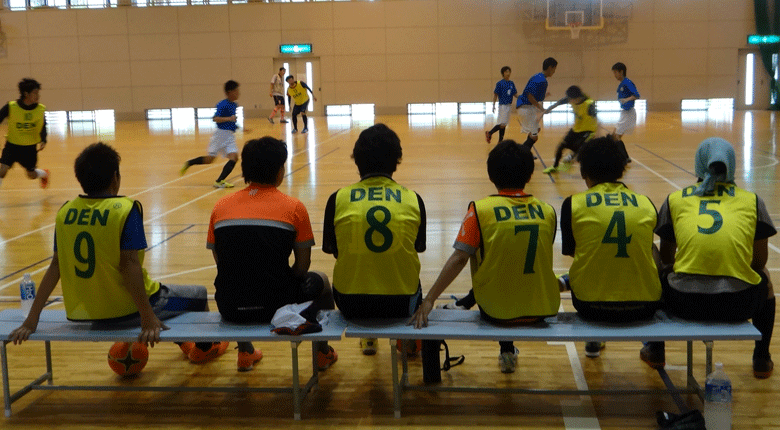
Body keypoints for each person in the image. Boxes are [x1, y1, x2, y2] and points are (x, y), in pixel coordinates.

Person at [8, 142, 227, 368]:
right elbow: (129, 267)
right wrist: (147, 317)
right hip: (127, 311)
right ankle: (205, 349)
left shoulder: (65, 212)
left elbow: (56, 266)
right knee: (198, 295)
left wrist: (31, 319)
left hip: (88, 311)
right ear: (115, 177)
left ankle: (183, 342)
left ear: (80, 179)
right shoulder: (125, 209)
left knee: (171, 298)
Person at [410, 140, 560, 374]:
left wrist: (429, 299)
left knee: (491, 266)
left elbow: (459, 259)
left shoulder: (480, 210)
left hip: (496, 311)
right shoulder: (548, 211)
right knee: (510, 265)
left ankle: (467, 307)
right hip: (541, 308)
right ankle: (507, 350)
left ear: (491, 176)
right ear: (530, 175)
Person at [642, 137, 776, 378]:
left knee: (656, 266)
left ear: (699, 164)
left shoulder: (675, 199)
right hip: (737, 304)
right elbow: (759, 262)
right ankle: (762, 358)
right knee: (765, 277)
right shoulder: (753, 201)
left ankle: (656, 349)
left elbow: (667, 259)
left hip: (683, 303)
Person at [208, 136, 337, 372]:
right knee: (322, 281)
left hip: (229, 306)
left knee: (237, 277)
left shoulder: (220, 207)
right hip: (276, 306)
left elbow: (220, 260)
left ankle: (245, 353)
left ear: (245, 170)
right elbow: (302, 267)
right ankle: (322, 353)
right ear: (279, 171)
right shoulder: (294, 207)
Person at [322, 124, 426, 356]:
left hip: (351, 304)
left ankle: (368, 338)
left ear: (357, 160)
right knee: (410, 273)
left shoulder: (337, 199)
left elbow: (335, 250)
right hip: (400, 305)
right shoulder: (413, 199)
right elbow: (417, 248)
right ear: (396, 161)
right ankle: (407, 341)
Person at [558, 137, 662, 358]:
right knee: (652, 255)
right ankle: (656, 348)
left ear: (583, 172)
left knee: (591, 259)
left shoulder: (573, 204)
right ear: (621, 170)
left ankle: (593, 337)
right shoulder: (645, 203)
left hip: (590, 306)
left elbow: (576, 253)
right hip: (644, 306)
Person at [180, 80, 246, 188]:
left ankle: (219, 181)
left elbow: (232, 122)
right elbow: (215, 118)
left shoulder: (234, 105)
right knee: (209, 160)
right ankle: (189, 163)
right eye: (236, 91)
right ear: (230, 92)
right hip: (220, 135)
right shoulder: (222, 104)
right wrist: (229, 118)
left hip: (229, 136)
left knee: (234, 157)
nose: (238, 93)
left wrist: (240, 128)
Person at [0, 78, 50, 189]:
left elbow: (43, 125)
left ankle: (44, 174)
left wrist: (43, 139)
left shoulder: (40, 109)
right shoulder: (11, 106)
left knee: (31, 175)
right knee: (2, 171)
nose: (38, 96)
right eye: (35, 93)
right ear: (26, 94)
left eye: (38, 93)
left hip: (29, 148)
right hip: (12, 145)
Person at [542, 85, 599, 174]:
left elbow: (596, 119)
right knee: (561, 146)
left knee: (579, 148)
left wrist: (596, 133)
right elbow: (559, 102)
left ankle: (575, 160)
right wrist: (549, 109)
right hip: (576, 129)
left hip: (588, 130)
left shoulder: (589, 104)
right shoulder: (570, 99)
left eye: (570, 98)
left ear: (577, 97)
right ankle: (555, 166)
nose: (569, 100)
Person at [515, 57, 557, 151]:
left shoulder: (538, 76)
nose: (554, 71)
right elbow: (530, 96)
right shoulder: (541, 80)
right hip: (525, 108)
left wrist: (545, 96)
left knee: (536, 130)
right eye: (554, 68)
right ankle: (521, 153)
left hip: (526, 107)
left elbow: (534, 96)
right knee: (534, 136)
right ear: (550, 67)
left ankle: (525, 151)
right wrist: (542, 109)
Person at [611, 62, 639, 163]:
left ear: (621, 72)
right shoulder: (622, 83)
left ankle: (625, 158)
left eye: (615, 72)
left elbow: (637, 95)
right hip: (624, 113)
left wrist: (627, 99)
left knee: (616, 136)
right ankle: (619, 156)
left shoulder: (627, 83)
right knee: (614, 136)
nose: (614, 75)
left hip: (628, 113)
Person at [485, 66, 518, 144]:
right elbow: (495, 95)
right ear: (503, 73)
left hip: (509, 106)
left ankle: (499, 140)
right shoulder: (499, 83)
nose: (508, 73)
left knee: (504, 124)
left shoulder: (511, 83)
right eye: (506, 72)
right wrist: (493, 105)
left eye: (509, 71)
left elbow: (515, 94)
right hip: (503, 106)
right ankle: (490, 133)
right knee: (502, 124)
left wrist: (522, 98)